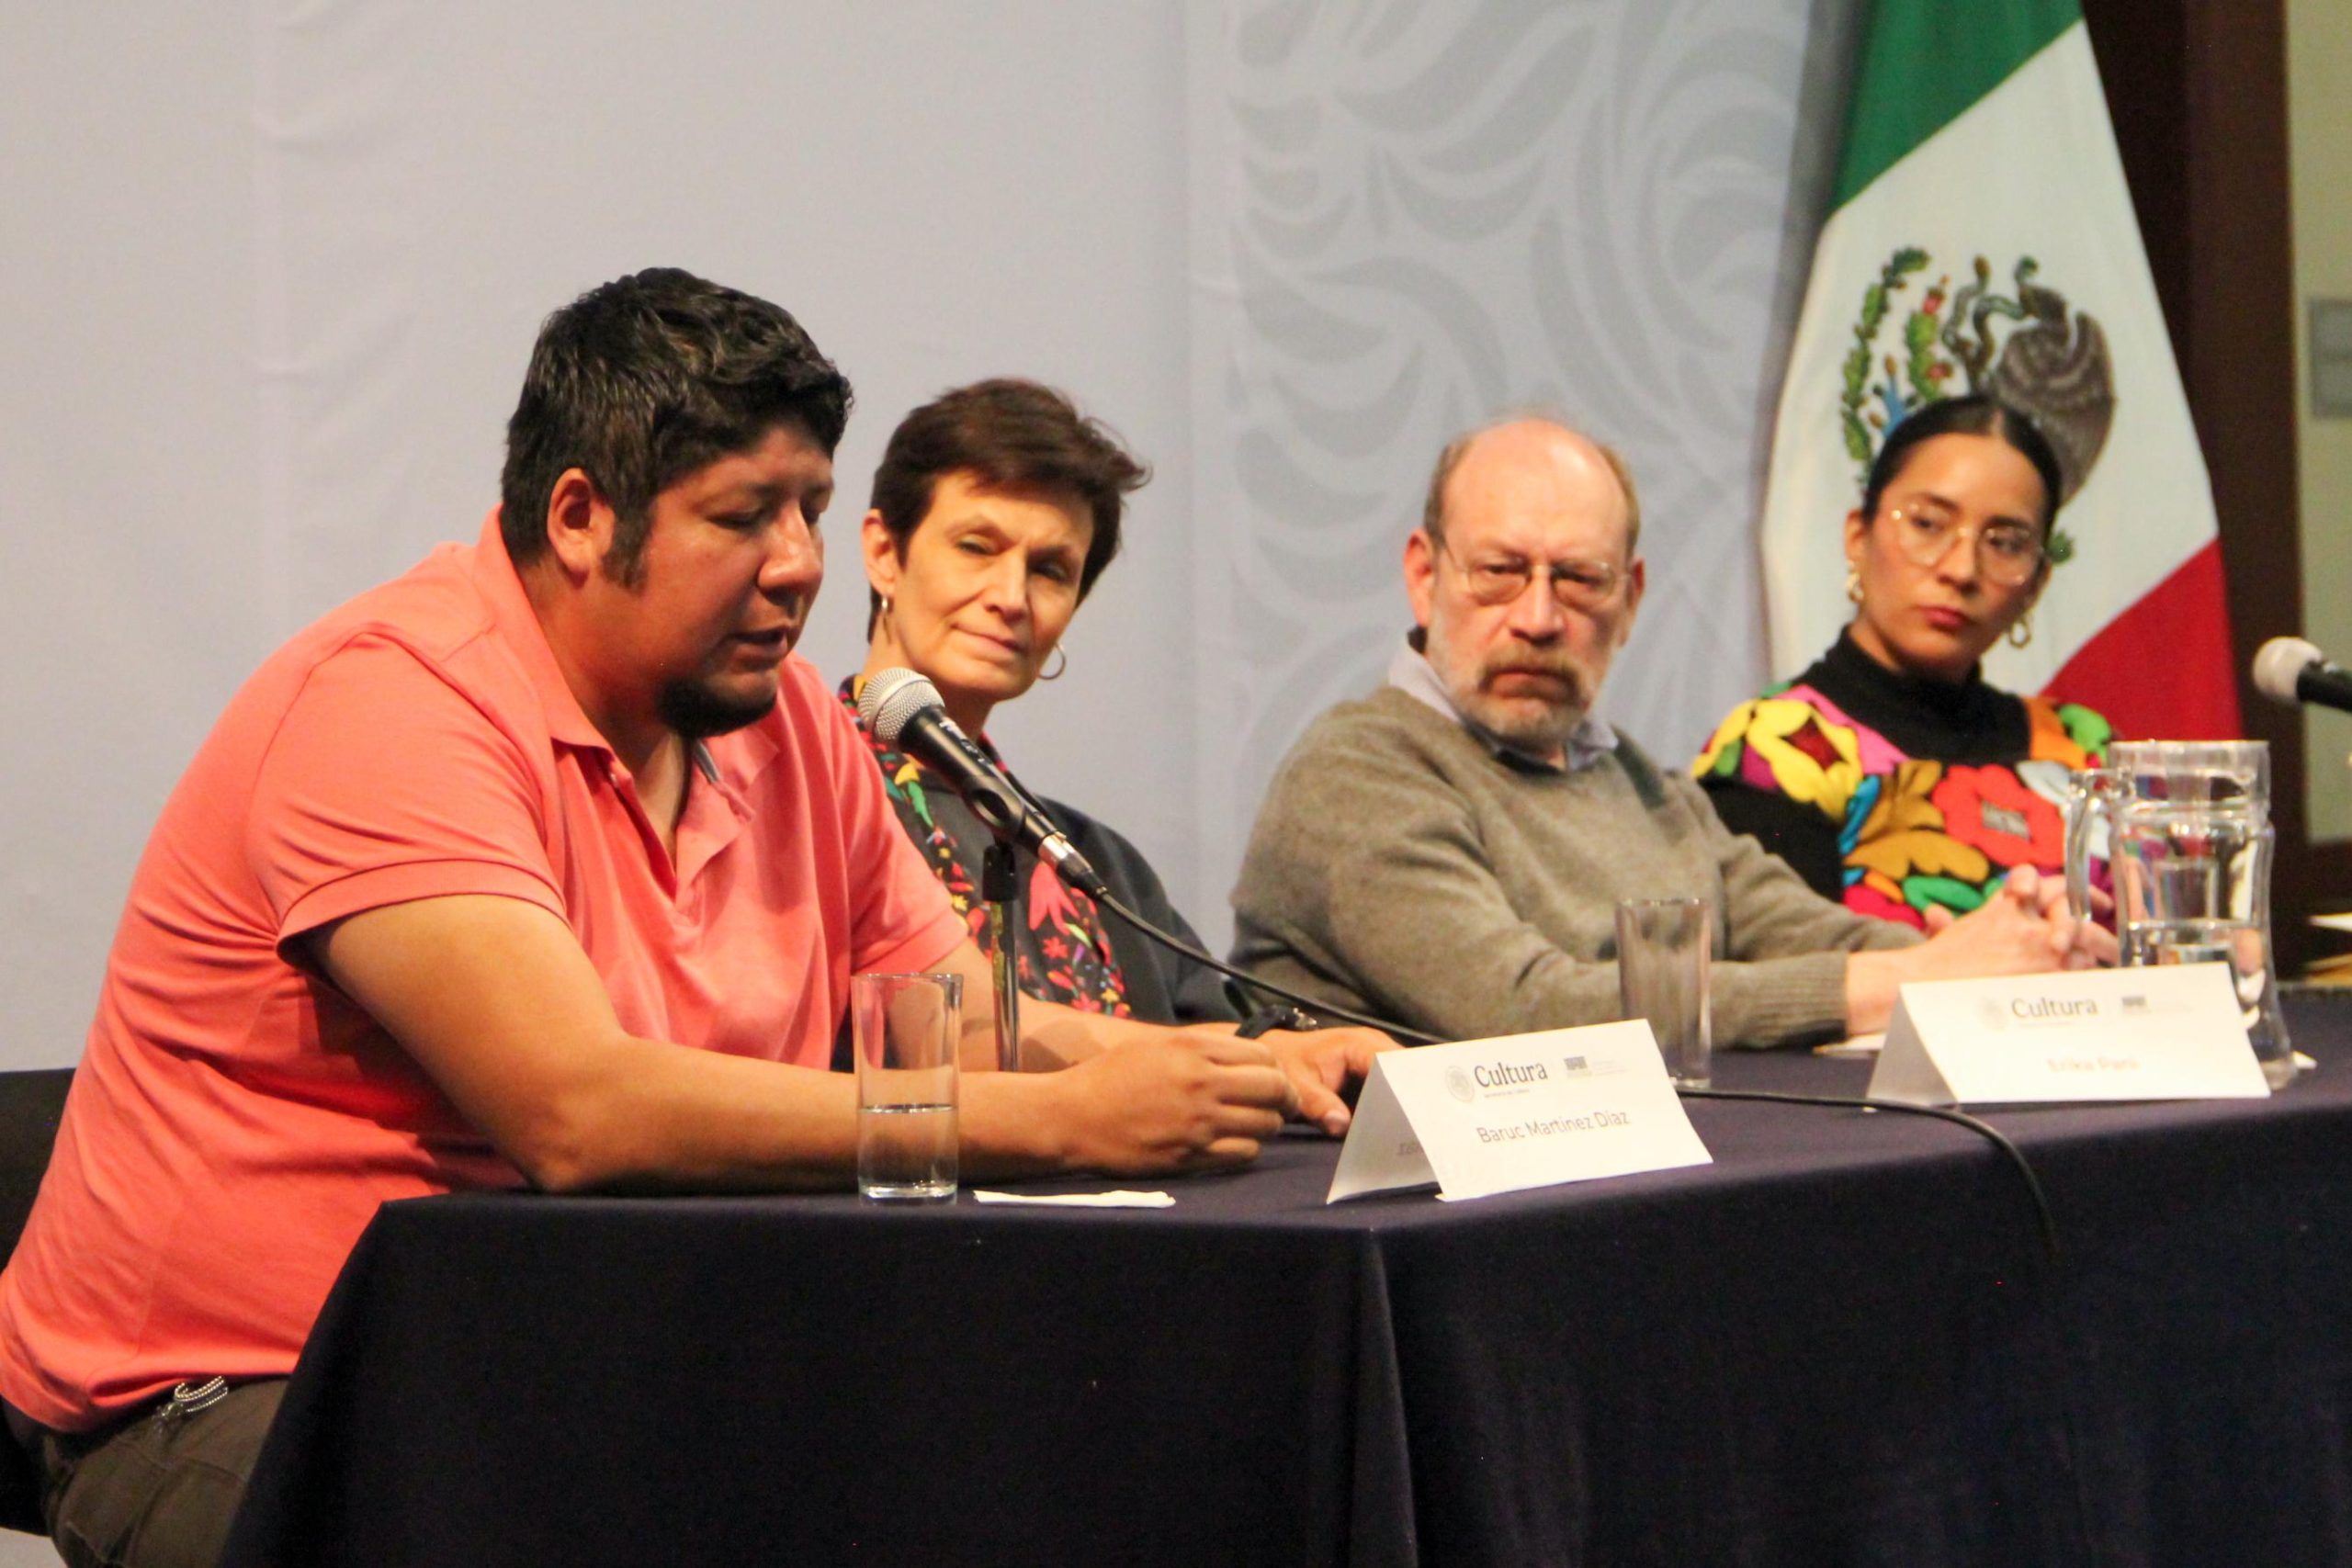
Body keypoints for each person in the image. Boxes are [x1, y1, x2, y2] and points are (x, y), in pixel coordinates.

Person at [0, 270, 1362, 1568]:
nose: (800, 565)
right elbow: (580, 1114)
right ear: (581, 517)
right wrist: (1060, 1122)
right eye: (744, 515)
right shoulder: (392, 708)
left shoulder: (791, 727)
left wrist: (1258, 1067)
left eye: (813, 508)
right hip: (246, 1393)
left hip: (577, 1369)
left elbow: (956, 1027)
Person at [1230, 415, 2104, 1050]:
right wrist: (1918, 977)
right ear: (1425, 577)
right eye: (1500, 572)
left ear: (1630, 600)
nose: (1538, 617)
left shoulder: (1633, 781)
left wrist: (2016, 950)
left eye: (1580, 579)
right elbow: (1525, 1010)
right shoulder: (1358, 769)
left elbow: (1801, 929)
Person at [844, 378, 1242, 1027]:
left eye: (1050, 570)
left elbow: (1225, 1043)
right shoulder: (798, 800)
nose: (1011, 597)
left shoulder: (1097, 863)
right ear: (885, 553)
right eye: (977, 547)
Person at [1693, 394, 2111, 928]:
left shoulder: (2083, 750)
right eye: (1928, 524)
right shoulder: (1778, 747)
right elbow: (1787, 969)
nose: (1962, 570)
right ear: (1858, 537)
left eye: (2005, 543)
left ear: (2035, 584)